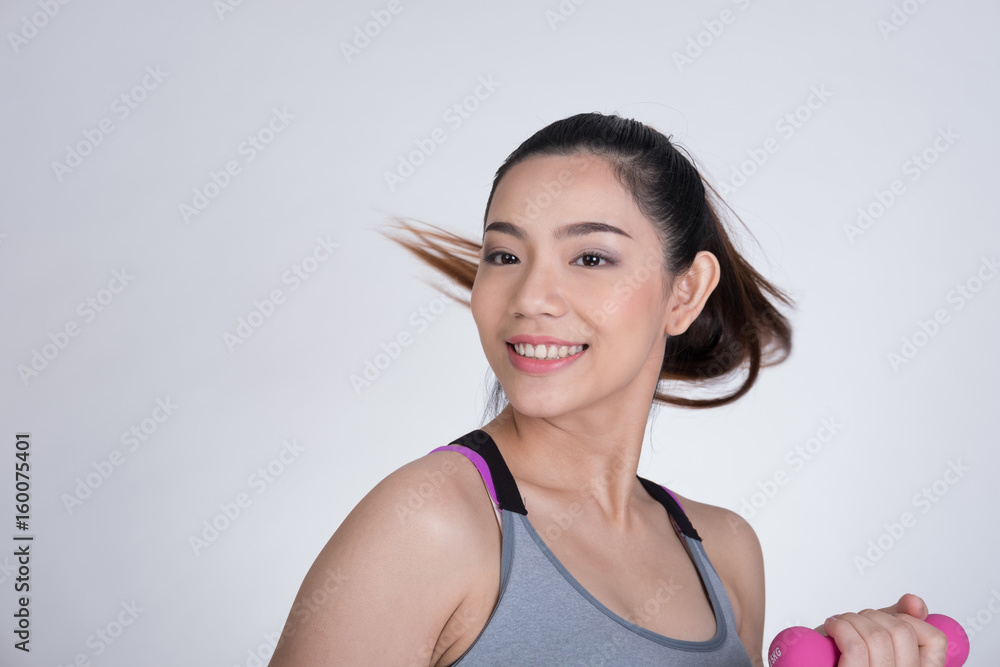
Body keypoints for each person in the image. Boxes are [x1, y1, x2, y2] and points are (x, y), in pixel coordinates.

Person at [269, 113, 949, 666]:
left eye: (590, 257)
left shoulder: (726, 552)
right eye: (504, 255)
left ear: (685, 293)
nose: (530, 296)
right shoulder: (428, 524)